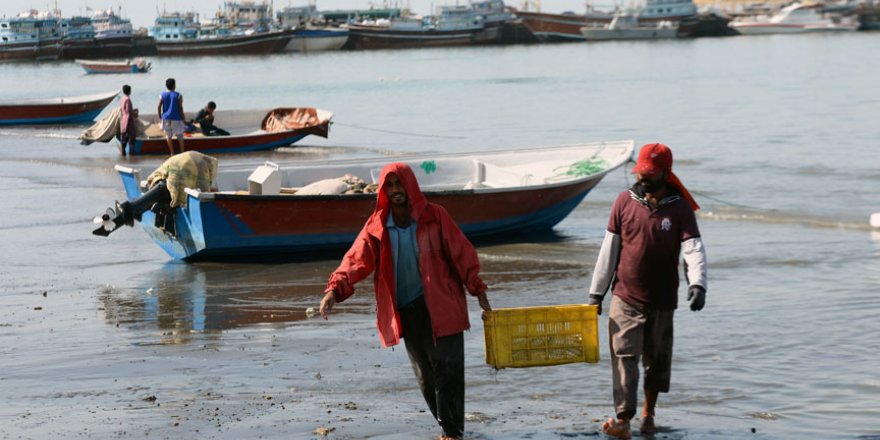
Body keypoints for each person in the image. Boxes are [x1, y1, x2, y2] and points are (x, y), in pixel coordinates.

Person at [318, 162, 492, 440]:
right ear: (383, 191)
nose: (396, 190)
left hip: (441, 306)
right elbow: (356, 259)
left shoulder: (435, 217)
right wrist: (334, 290)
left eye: (400, 184)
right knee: (425, 376)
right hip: (406, 310)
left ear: (411, 186)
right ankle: (448, 426)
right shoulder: (377, 227)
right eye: (390, 185)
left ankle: (452, 432)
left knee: (447, 370)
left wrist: (477, 288)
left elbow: (461, 253)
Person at [587, 143, 707, 439]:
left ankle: (648, 414)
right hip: (626, 296)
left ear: (666, 174)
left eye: (650, 174)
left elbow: (693, 248)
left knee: (657, 361)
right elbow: (609, 250)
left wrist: (698, 283)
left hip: (663, 299)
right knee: (624, 356)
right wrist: (596, 294)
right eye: (640, 172)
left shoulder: (679, 208)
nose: (642, 178)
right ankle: (623, 419)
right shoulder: (623, 202)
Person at [157, 78, 186, 155]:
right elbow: (180, 108)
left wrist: (160, 117)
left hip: (166, 118)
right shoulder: (178, 95)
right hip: (176, 118)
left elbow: (159, 106)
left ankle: (172, 153)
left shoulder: (162, 95)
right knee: (180, 135)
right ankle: (182, 152)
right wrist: (183, 118)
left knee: (168, 136)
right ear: (174, 86)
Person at [118, 84, 138, 156]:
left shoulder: (122, 99)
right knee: (132, 137)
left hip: (123, 120)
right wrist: (135, 113)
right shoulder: (128, 100)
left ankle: (123, 153)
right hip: (128, 120)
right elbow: (129, 111)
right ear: (129, 91)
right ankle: (131, 153)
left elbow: (122, 109)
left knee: (124, 138)